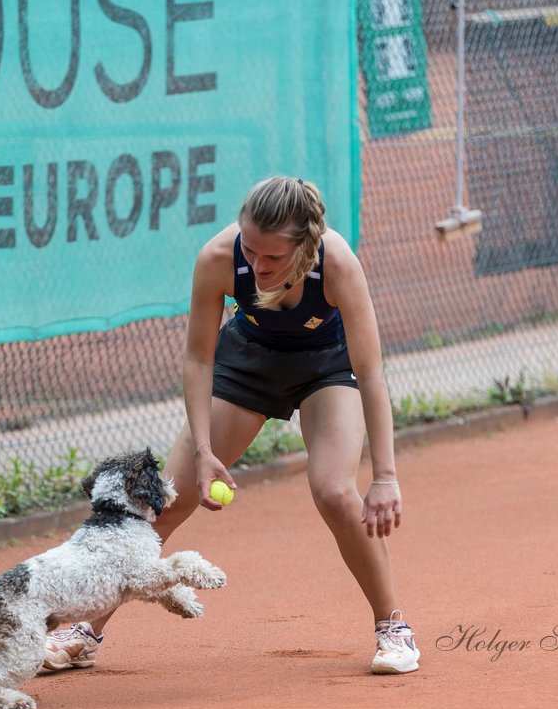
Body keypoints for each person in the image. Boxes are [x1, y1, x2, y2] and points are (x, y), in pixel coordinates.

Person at [44, 176, 420, 675]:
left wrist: (386, 477)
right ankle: (84, 629)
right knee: (164, 501)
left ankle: (392, 626)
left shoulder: (337, 262)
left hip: (326, 367)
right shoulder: (218, 257)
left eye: (273, 258)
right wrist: (203, 450)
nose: (259, 267)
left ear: (305, 245)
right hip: (247, 363)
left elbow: (371, 373)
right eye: (251, 250)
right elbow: (199, 360)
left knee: (333, 491)